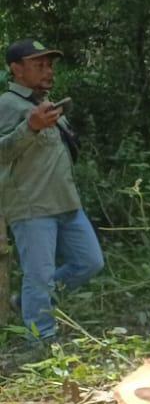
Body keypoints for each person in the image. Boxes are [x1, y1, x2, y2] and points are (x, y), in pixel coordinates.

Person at [0, 39, 104, 348]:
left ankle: (27, 302)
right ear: (16, 69)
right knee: (39, 276)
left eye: (49, 65)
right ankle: (40, 342)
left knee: (90, 262)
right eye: (39, 65)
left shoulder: (46, 102)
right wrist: (29, 128)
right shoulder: (7, 104)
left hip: (66, 202)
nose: (48, 71)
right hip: (31, 206)